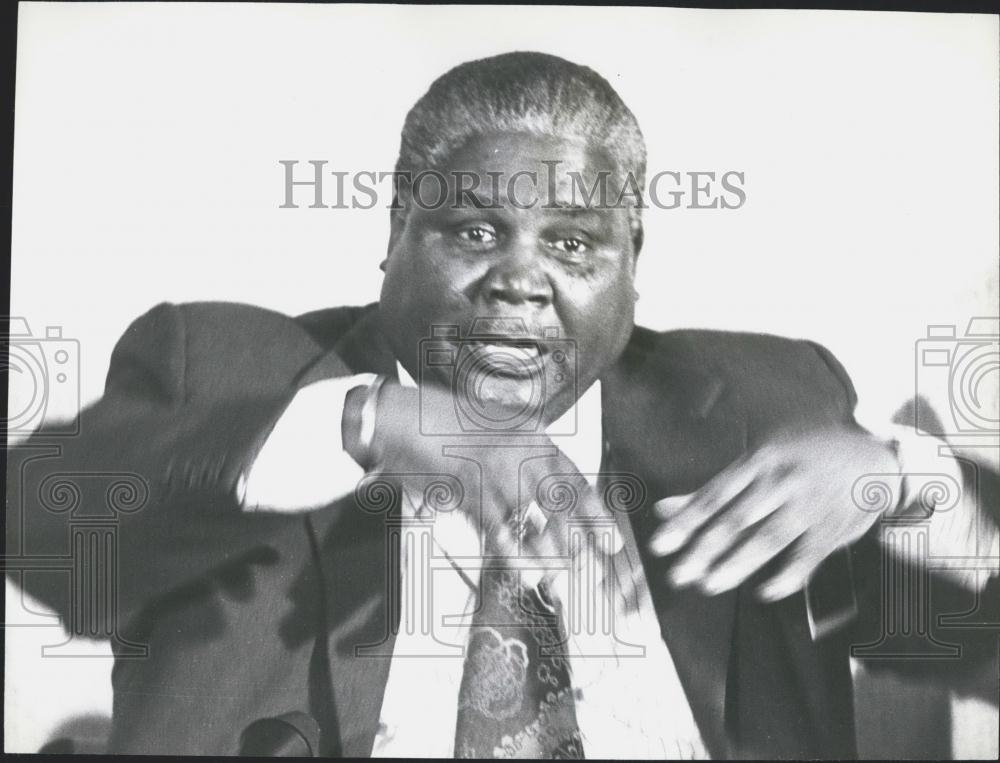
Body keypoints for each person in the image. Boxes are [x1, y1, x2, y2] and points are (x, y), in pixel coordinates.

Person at [6, 51, 997, 759]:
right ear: (395, 233)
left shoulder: (757, 404)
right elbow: (42, 531)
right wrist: (366, 424)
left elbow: (972, 642)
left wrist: (904, 476)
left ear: (632, 263)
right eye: (474, 231)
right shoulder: (235, 368)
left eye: (572, 244)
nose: (520, 281)